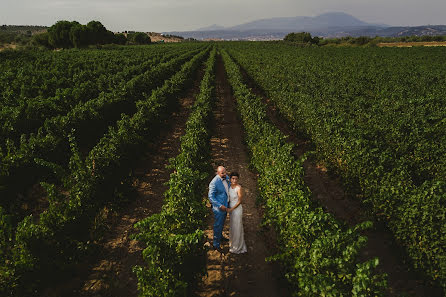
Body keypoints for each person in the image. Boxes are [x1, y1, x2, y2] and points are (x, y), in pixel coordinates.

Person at [208, 166, 230, 252]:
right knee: (218, 225)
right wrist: (220, 206)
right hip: (219, 208)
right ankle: (216, 244)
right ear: (218, 173)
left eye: (225, 172)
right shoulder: (214, 183)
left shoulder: (226, 177)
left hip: (226, 205)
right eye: (222, 173)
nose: (225, 174)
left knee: (222, 223)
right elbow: (211, 197)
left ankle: (220, 236)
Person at [227, 172, 247, 254]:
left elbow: (240, 201)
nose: (234, 180)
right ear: (230, 179)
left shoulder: (239, 188)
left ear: (238, 179)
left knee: (237, 227)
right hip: (231, 209)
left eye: (236, 179)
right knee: (233, 227)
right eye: (233, 178)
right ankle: (232, 243)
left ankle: (238, 246)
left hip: (237, 209)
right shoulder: (229, 186)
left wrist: (231, 209)